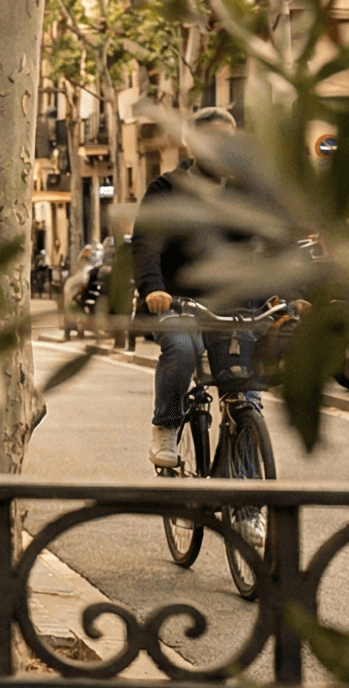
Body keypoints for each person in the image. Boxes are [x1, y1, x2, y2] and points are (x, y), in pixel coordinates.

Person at [135, 105, 262, 470]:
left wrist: (294, 295)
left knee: (246, 402)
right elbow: (145, 244)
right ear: (191, 144)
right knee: (180, 349)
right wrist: (153, 289)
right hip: (177, 302)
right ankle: (167, 424)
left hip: (234, 306)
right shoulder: (166, 189)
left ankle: (248, 506)